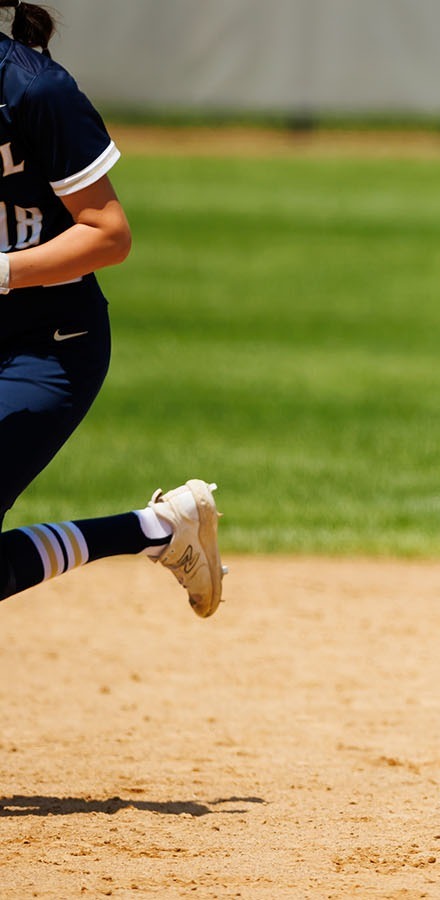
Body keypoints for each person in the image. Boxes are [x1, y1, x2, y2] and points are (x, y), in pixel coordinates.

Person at [0, 1, 224, 616]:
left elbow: (108, 234)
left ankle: (155, 531)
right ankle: (158, 530)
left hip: (48, 344)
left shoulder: (34, 90)